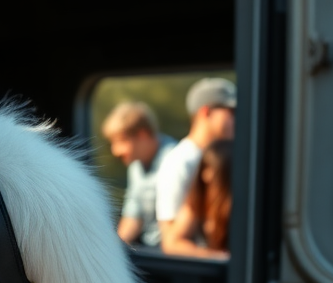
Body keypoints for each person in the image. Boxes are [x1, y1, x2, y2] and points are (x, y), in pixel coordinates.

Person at [156, 77, 236, 254]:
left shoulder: (228, 156)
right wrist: (223, 259)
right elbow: (171, 240)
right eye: (231, 111)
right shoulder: (179, 162)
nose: (236, 119)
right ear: (206, 112)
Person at [101, 101, 175, 247]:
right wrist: (114, 248)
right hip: (150, 247)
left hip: (169, 252)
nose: (115, 151)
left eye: (120, 141)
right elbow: (133, 215)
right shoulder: (135, 166)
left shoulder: (174, 159)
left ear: (142, 134)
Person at [163, 139, 233, 259]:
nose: (206, 176)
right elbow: (171, 242)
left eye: (213, 169)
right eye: (204, 167)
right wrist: (213, 256)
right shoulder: (199, 199)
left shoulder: (239, 206)